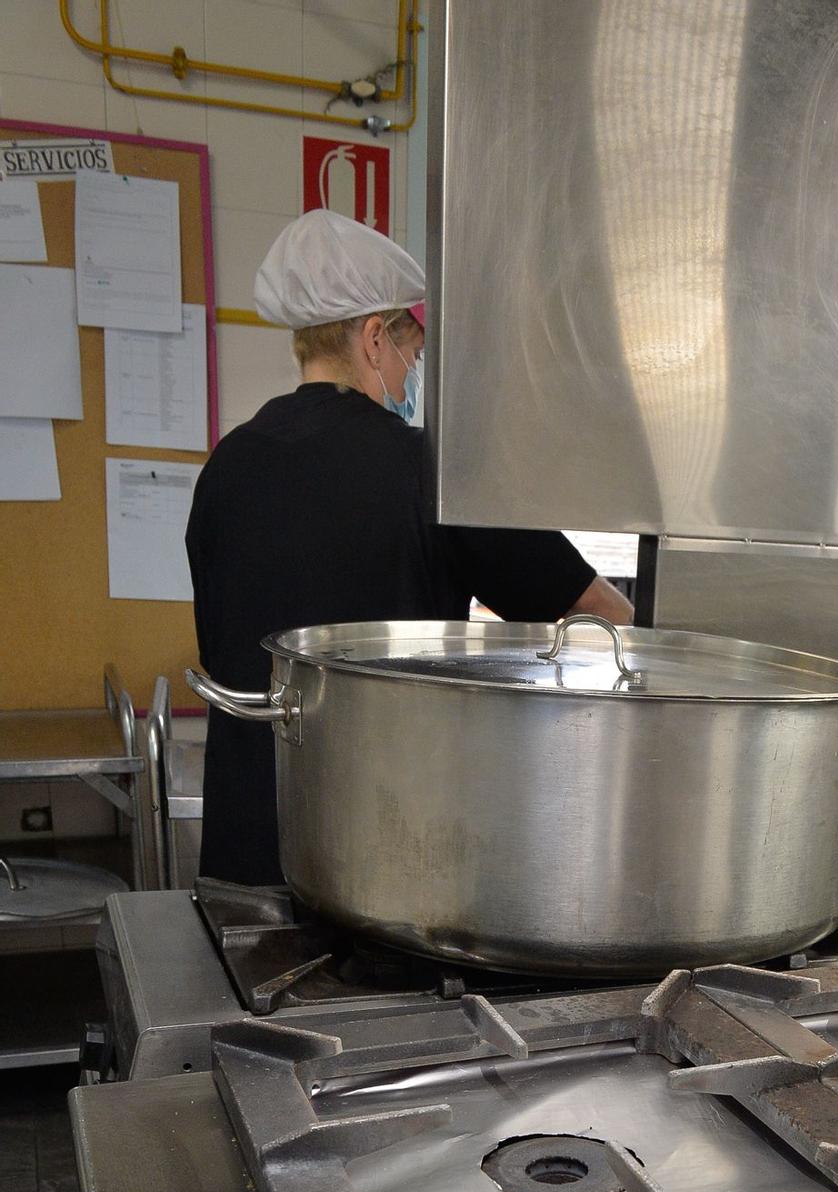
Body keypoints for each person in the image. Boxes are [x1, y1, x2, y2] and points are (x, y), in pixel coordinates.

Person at [187, 209, 631, 886]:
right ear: (373, 339)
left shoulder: (227, 465)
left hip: (245, 854)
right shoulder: (434, 472)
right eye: (414, 353)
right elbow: (603, 621)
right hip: (381, 864)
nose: (413, 372)